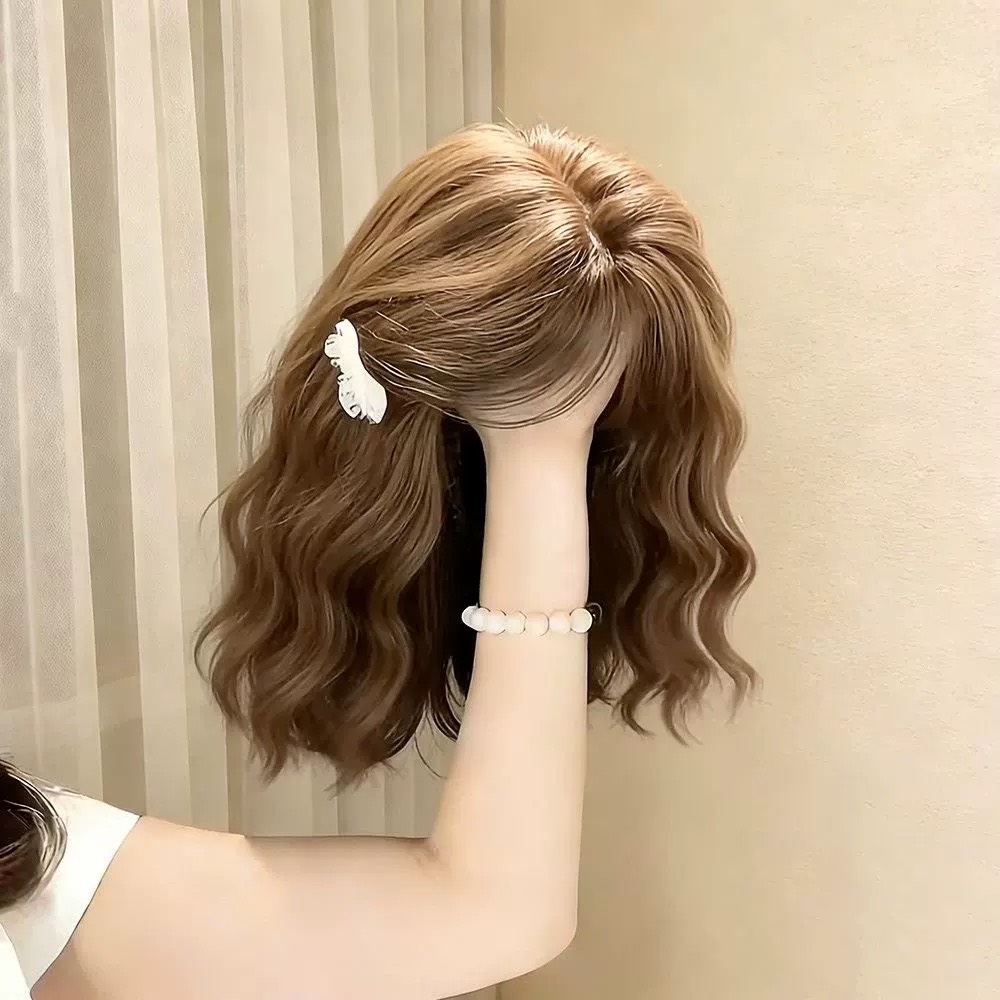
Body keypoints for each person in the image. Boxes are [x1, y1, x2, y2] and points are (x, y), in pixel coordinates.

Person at [1, 124, 752, 998]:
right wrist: (544, 438)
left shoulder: (33, 872)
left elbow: (496, 909)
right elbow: (496, 912)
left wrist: (538, 435)